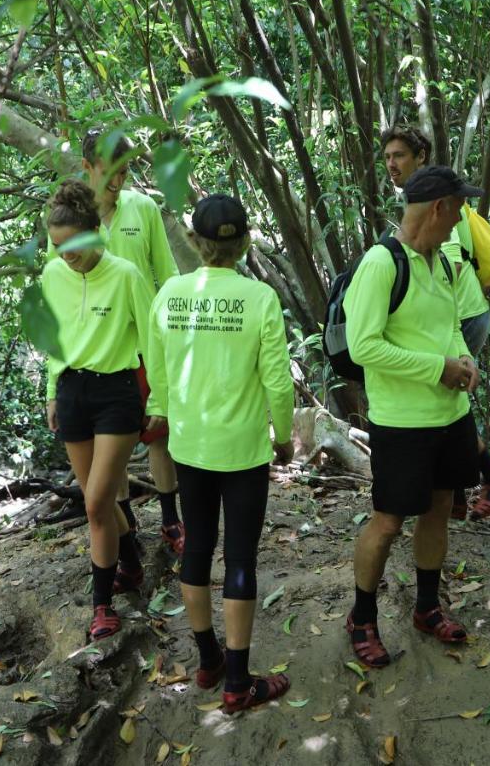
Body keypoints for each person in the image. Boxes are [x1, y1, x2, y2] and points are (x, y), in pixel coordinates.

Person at [145, 193, 295, 712]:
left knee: (197, 547)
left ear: (194, 241)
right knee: (240, 559)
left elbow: (158, 372)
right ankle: (237, 680)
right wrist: (282, 435)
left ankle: (209, 660)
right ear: (246, 241)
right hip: (244, 450)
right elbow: (277, 378)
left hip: (190, 446)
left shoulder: (170, 294)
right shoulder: (259, 299)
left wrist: (162, 411)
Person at [344, 165, 482, 669]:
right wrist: (436, 368)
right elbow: (364, 346)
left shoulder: (443, 262)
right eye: (458, 207)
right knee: (387, 522)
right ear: (438, 209)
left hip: (451, 416)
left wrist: (463, 359)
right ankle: (362, 617)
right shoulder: (382, 263)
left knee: (440, 507)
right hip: (402, 422)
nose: (461, 218)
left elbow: (449, 327)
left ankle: (427, 606)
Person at [380, 126, 490, 520]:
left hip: (461, 315)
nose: (392, 164)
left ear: (420, 157)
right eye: (388, 157)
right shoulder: (416, 198)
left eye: (400, 156)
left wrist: (446, 330)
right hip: (456, 314)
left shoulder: (440, 199)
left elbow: (450, 268)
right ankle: (454, 495)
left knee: (448, 398)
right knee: (445, 397)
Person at [42, 179, 151, 641]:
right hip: (72, 393)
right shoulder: (52, 275)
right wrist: (51, 391)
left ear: (94, 231)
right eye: (58, 247)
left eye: (74, 246)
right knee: (99, 501)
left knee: (95, 504)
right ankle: (130, 561)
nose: (66, 255)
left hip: (117, 393)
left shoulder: (126, 274)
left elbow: (153, 341)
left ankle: (102, 605)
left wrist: (160, 402)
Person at [81, 127, 186, 566]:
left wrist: (178, 333)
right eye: (110, 171)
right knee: (113, 448)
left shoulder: (142, 208)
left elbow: (168, 274)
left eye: (125, 170)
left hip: (148, 345)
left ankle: (171, 521)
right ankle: (127, 532)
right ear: (88, 167)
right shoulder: (72, 219)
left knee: (158, 436)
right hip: (102, 352)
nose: (119, 180)